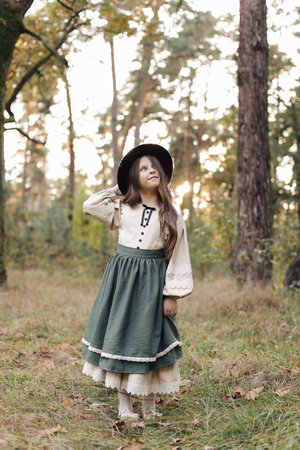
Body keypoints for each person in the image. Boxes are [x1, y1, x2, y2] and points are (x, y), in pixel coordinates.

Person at [81, 143, 193, 420]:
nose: (150, 170)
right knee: (122, 336)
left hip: (153, 283)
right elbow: (89, 206)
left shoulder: (172, 214)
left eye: (154, 166)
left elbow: (179, 256)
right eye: (143, 168)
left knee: (148, 339)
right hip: (122, 281)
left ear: (163, 174)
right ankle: (124, 406)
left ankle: (149, 405)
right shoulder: (123, 208)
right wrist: (117, 189)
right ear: (134, 177)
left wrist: (172, 294)